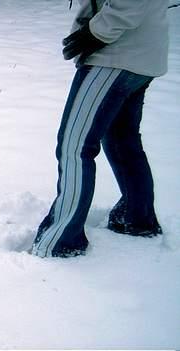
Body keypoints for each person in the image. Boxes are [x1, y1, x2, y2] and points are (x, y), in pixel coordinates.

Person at [31, 0, 170, 258]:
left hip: (116, 54)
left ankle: (60, 241)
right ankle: (136, 218)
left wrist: (95, 33)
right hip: (142, 52)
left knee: (75, 147)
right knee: (122, 141)